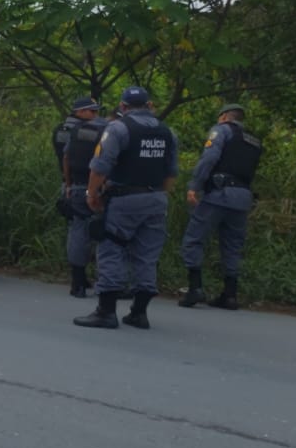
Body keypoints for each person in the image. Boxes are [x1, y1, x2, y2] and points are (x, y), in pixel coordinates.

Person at [76, 86, 178, 330]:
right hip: (156, 199)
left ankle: (106, 312)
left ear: (122, 107)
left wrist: (92, 194)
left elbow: (100, 166)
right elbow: (171, 173)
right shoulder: (168, 132)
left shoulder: (118, 128)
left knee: (112, 247)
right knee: (147, 254)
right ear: (149, 105)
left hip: (125, 199)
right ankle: (139, 313)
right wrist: (158, 196)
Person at [179, 104, 262, 310]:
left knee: (194, 239)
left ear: (224, 117)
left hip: (219, 194)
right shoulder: (253, 141)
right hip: (242, 198)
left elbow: (209, 158)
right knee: (232, 246)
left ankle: (195, 288)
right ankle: (230, 294)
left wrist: (195, 186)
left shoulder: (221, 131)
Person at [59, 97, 108, 298]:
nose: (95, 115)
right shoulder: (108, 129)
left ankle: (77, 282)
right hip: (100, 189)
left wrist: (68, 185)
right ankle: (105, 281)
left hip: (78, 187)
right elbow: (107, 161)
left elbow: (66, 158)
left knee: (78, 231)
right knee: (104, 234)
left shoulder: (76, 131)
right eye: (92, 111)